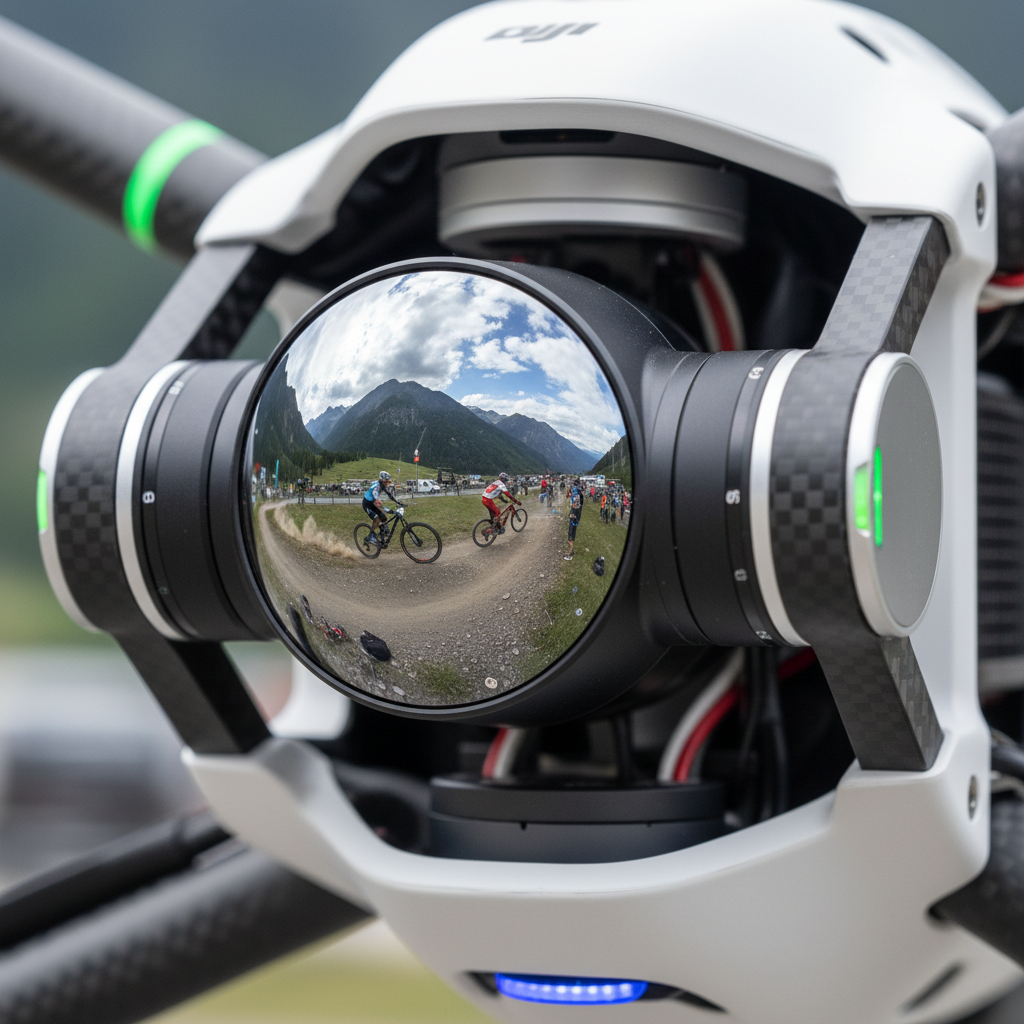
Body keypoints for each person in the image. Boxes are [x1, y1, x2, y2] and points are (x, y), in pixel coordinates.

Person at [363, 470, 398, 544]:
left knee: (383, 516)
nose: (386, 484)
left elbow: (389, 495)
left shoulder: (382, 485)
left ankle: (382, 534)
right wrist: (377, 501)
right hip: (367, 504)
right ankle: (370, 536)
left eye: (388, 482)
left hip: (373, 503)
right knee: (377, 518)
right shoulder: (377, 486)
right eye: (385, 482)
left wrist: (398, 502)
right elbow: (374, 494)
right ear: (381, 481)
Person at [565, 485, 582, 560]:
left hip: (574, 517)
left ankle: (570, 551)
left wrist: (572, 514)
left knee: (571, 534)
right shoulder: (577, 495)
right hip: (576, 517)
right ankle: (571, 549)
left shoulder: (575, 496)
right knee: (572, 533)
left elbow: (574, 507)